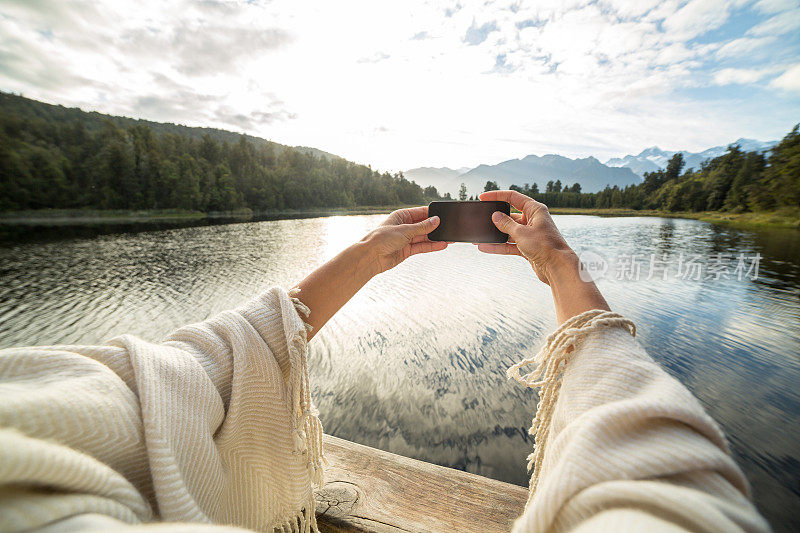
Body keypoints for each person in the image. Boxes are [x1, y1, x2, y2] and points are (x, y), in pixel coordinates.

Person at [0, 191, 768, 533]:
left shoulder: (30, 423)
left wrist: (370, 255)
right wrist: (562, 268)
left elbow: (186, 378)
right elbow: (658, 475)